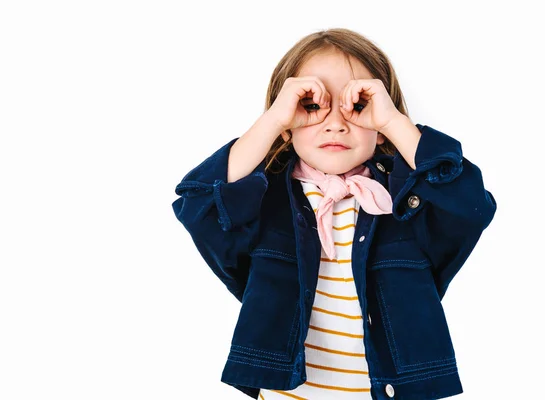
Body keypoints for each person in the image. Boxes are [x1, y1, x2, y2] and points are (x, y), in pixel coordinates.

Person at [172, 28, 497, 400]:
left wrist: (394, 123)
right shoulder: (265, 201)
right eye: (311, 104)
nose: (336, 122)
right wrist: (271, 122)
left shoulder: (404, 203)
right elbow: (197, 204)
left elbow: (472, 205)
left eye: (357, 106)